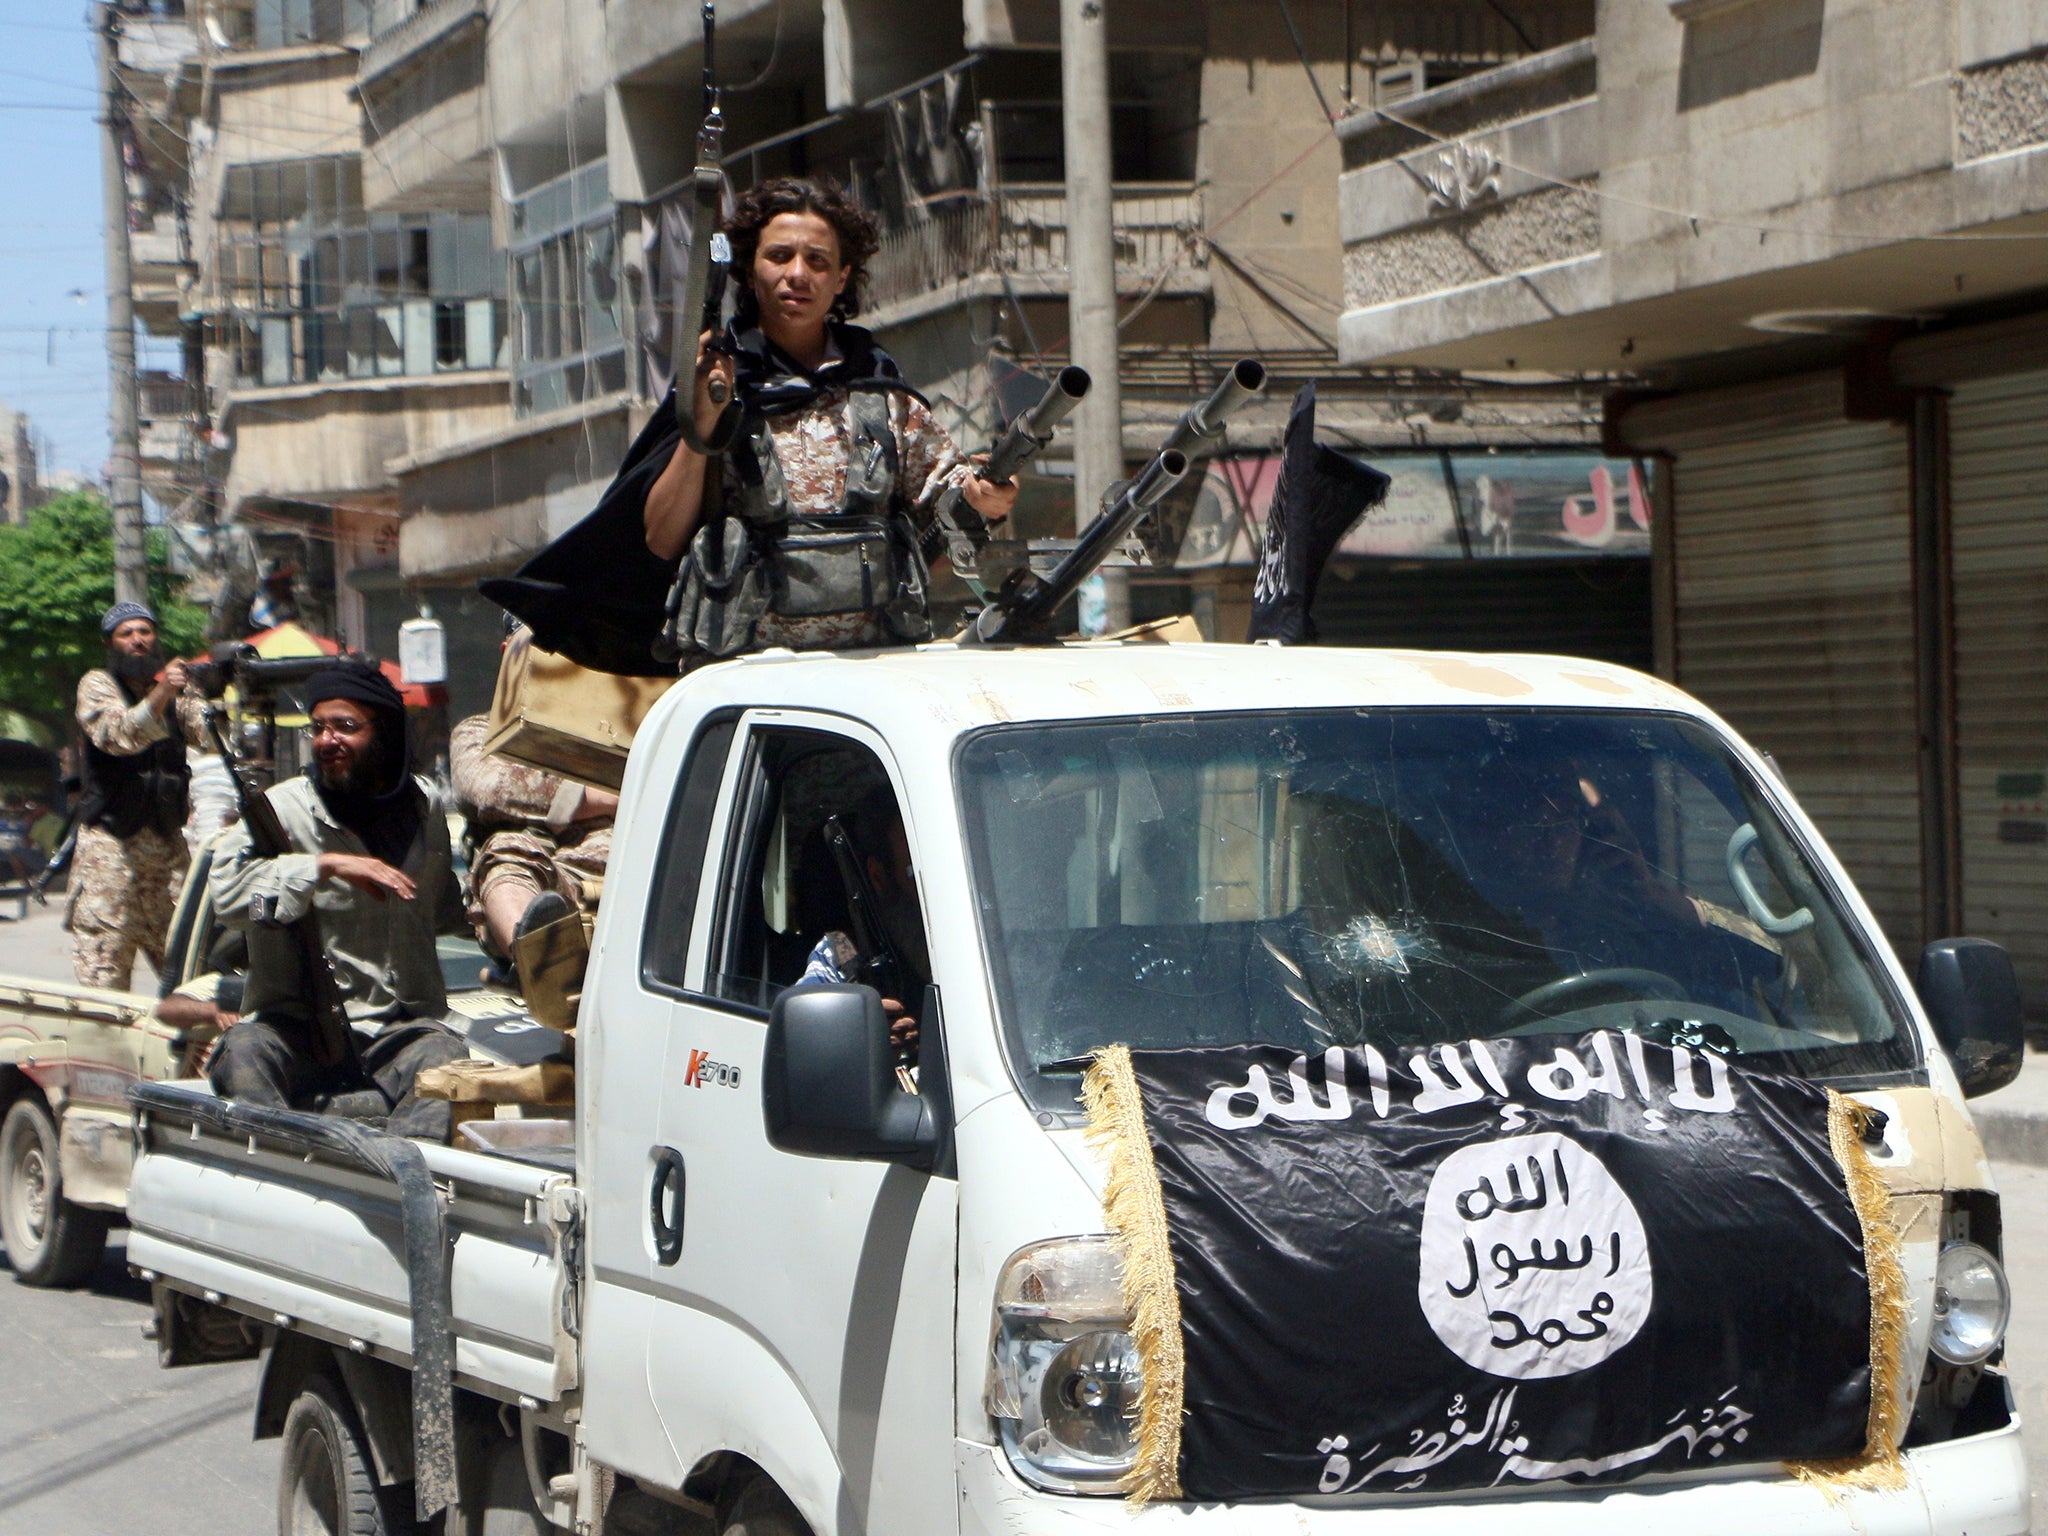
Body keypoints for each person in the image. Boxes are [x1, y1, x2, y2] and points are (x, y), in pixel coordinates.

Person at [206, 659, 469, 1139]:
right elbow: (227, 896)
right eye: (318, 727)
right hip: (297, 1028)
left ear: (386, 731)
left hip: (397, 1029)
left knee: (444, 1058)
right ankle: (284, 1175)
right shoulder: (282, 811)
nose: (327, 741)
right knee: (243, 1051)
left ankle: (408, 1184)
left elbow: (445, 907)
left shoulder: (425, 808)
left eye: (345, 727)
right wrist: (322, 867)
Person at [68, 601, 208, 988]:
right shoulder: (97, 685)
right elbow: (120, 735)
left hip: (168, 857)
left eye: (145, 631)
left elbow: (213, 738)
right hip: (111, 859)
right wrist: (165, 691)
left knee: (193, 975)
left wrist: (217, 692)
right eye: (126, 633)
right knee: (105, 983)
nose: (138, 640)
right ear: (109, 642)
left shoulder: (177, 693)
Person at [448, 711, 617, 964]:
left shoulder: (640, 723)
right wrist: (593, 796)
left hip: (646, 877)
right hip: (561, 885)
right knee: (506, 853)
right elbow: (489, 788)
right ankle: (537, 965)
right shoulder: (487, 729)